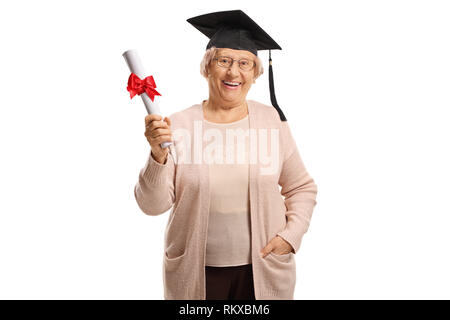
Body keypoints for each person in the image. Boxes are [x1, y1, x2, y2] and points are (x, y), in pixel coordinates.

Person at [134, 10, 318, 300]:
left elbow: (301, 187)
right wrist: (158, 156)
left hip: (263, 269)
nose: (234, 72)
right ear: (207, 67)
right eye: (224, 61)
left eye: (245, 63)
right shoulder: (178, 125)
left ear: (255, 73)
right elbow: (153, 206)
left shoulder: (270, 120)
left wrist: (289, 237)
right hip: (197, 273)